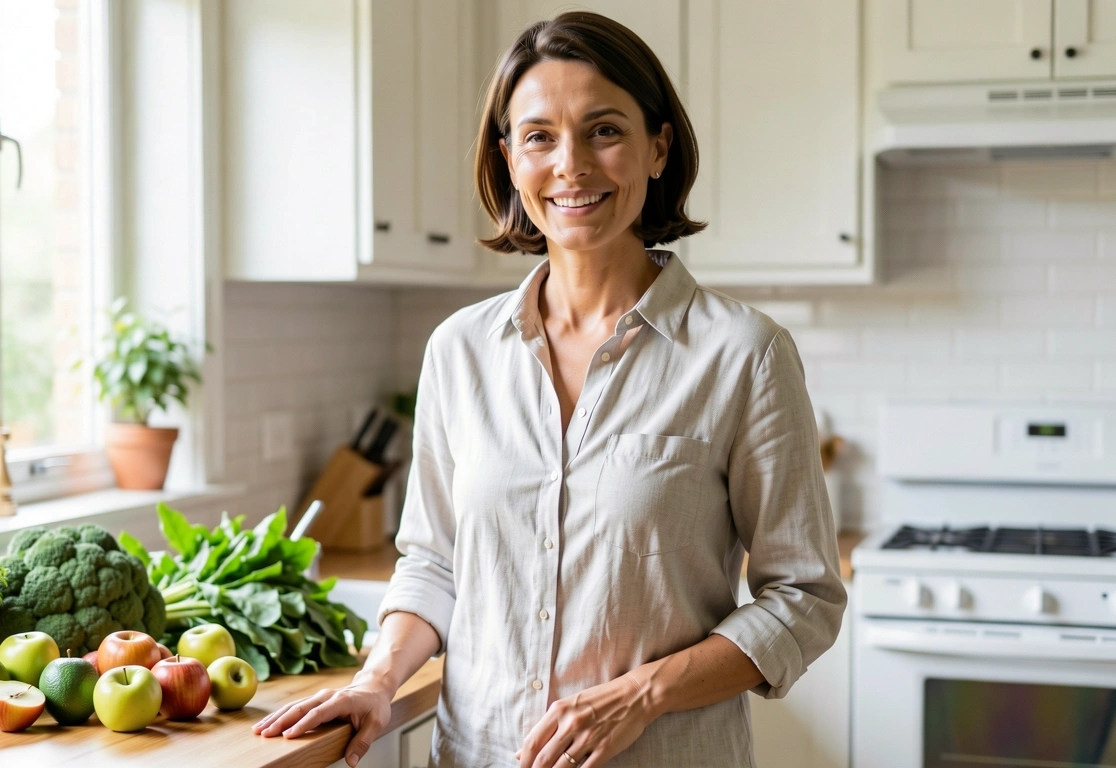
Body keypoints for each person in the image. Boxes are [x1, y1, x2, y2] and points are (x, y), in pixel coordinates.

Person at [254, 11, 846, 767]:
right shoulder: (460, 350)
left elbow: (805, 597)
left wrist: (644, 694)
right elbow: (434, 561)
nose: (571, 165)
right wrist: (377, 678)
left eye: (604, 130)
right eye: (539, 136)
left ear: (657, 147)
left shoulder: (744, 355)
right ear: (508, 158)